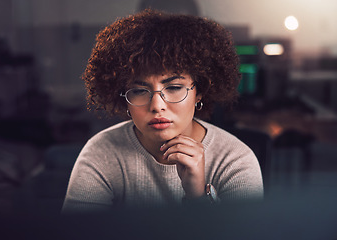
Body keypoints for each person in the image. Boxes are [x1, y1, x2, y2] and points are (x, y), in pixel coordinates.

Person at [62, 9, 263, 213]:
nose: (157, 105)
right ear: (124, 98)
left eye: (174, 88)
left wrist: (198, 197)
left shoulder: (235, 160)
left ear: (199, 92)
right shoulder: (102, 152)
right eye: (140, 90)